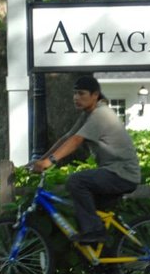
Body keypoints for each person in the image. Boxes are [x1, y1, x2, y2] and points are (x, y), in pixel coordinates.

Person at [32, 75, 141, 244]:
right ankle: (105, 260)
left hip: (121, 174)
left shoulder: (101, 114)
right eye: (75, 93)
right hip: (112, 172)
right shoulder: (88, 114)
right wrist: (39, 160)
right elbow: (67, 138)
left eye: (81, 93)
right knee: (88, 209)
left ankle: (95, 232)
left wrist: (49, 162)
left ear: (95, 95)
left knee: (77, 182)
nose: (76, 97)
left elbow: (76, 141)